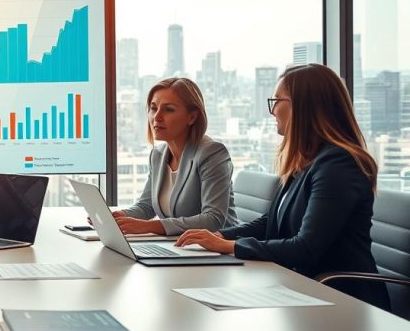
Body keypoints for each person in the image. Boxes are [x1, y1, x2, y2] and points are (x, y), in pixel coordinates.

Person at [176, 64, 390, 310]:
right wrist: (219, 236)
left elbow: (306, 248)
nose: (272, 110)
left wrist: (230, 247)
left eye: (277, 100)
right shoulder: (305, 159)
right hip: (300, 286)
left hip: (342, 299)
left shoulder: (338, 164)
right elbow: (269, 224)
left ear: (303, 106)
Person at [114, 77, 239, 236]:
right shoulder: (158, 155)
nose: (156, 117)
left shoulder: (212, 153)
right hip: (179, 246)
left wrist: (150, 226)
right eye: (153, 108)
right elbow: (147, 206)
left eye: (168, 109)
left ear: (192, 117)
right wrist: (119, 217)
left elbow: (212, 219)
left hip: (218, 249)